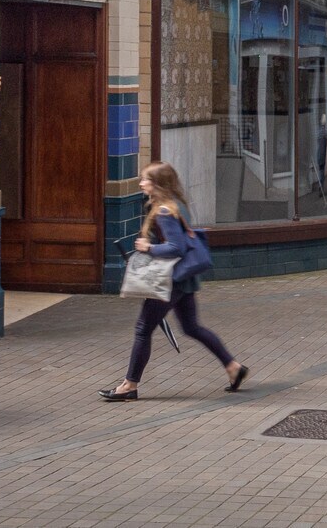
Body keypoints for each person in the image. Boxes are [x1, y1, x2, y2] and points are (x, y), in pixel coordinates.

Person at [100, 162, 248, 401]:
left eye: (146, 179)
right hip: (183, 279)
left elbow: (176, 248)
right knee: (192, 327)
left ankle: (129, 386)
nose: (141, 183)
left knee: (143, 330)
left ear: (158, 184)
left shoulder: (164, 211)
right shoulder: (177, 205)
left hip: (169, 281)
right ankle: (233, 367)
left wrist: (148, 247)